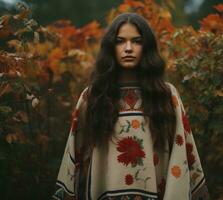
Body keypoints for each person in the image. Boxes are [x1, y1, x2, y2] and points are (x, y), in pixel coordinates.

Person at [52, 13, 209, 200]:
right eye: (120, 41)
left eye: (136, 41)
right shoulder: (93, 97)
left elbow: (182, 153)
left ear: (147, 47)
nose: (128, 48)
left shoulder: (166, 96)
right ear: (111, 47)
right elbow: (74, 155)